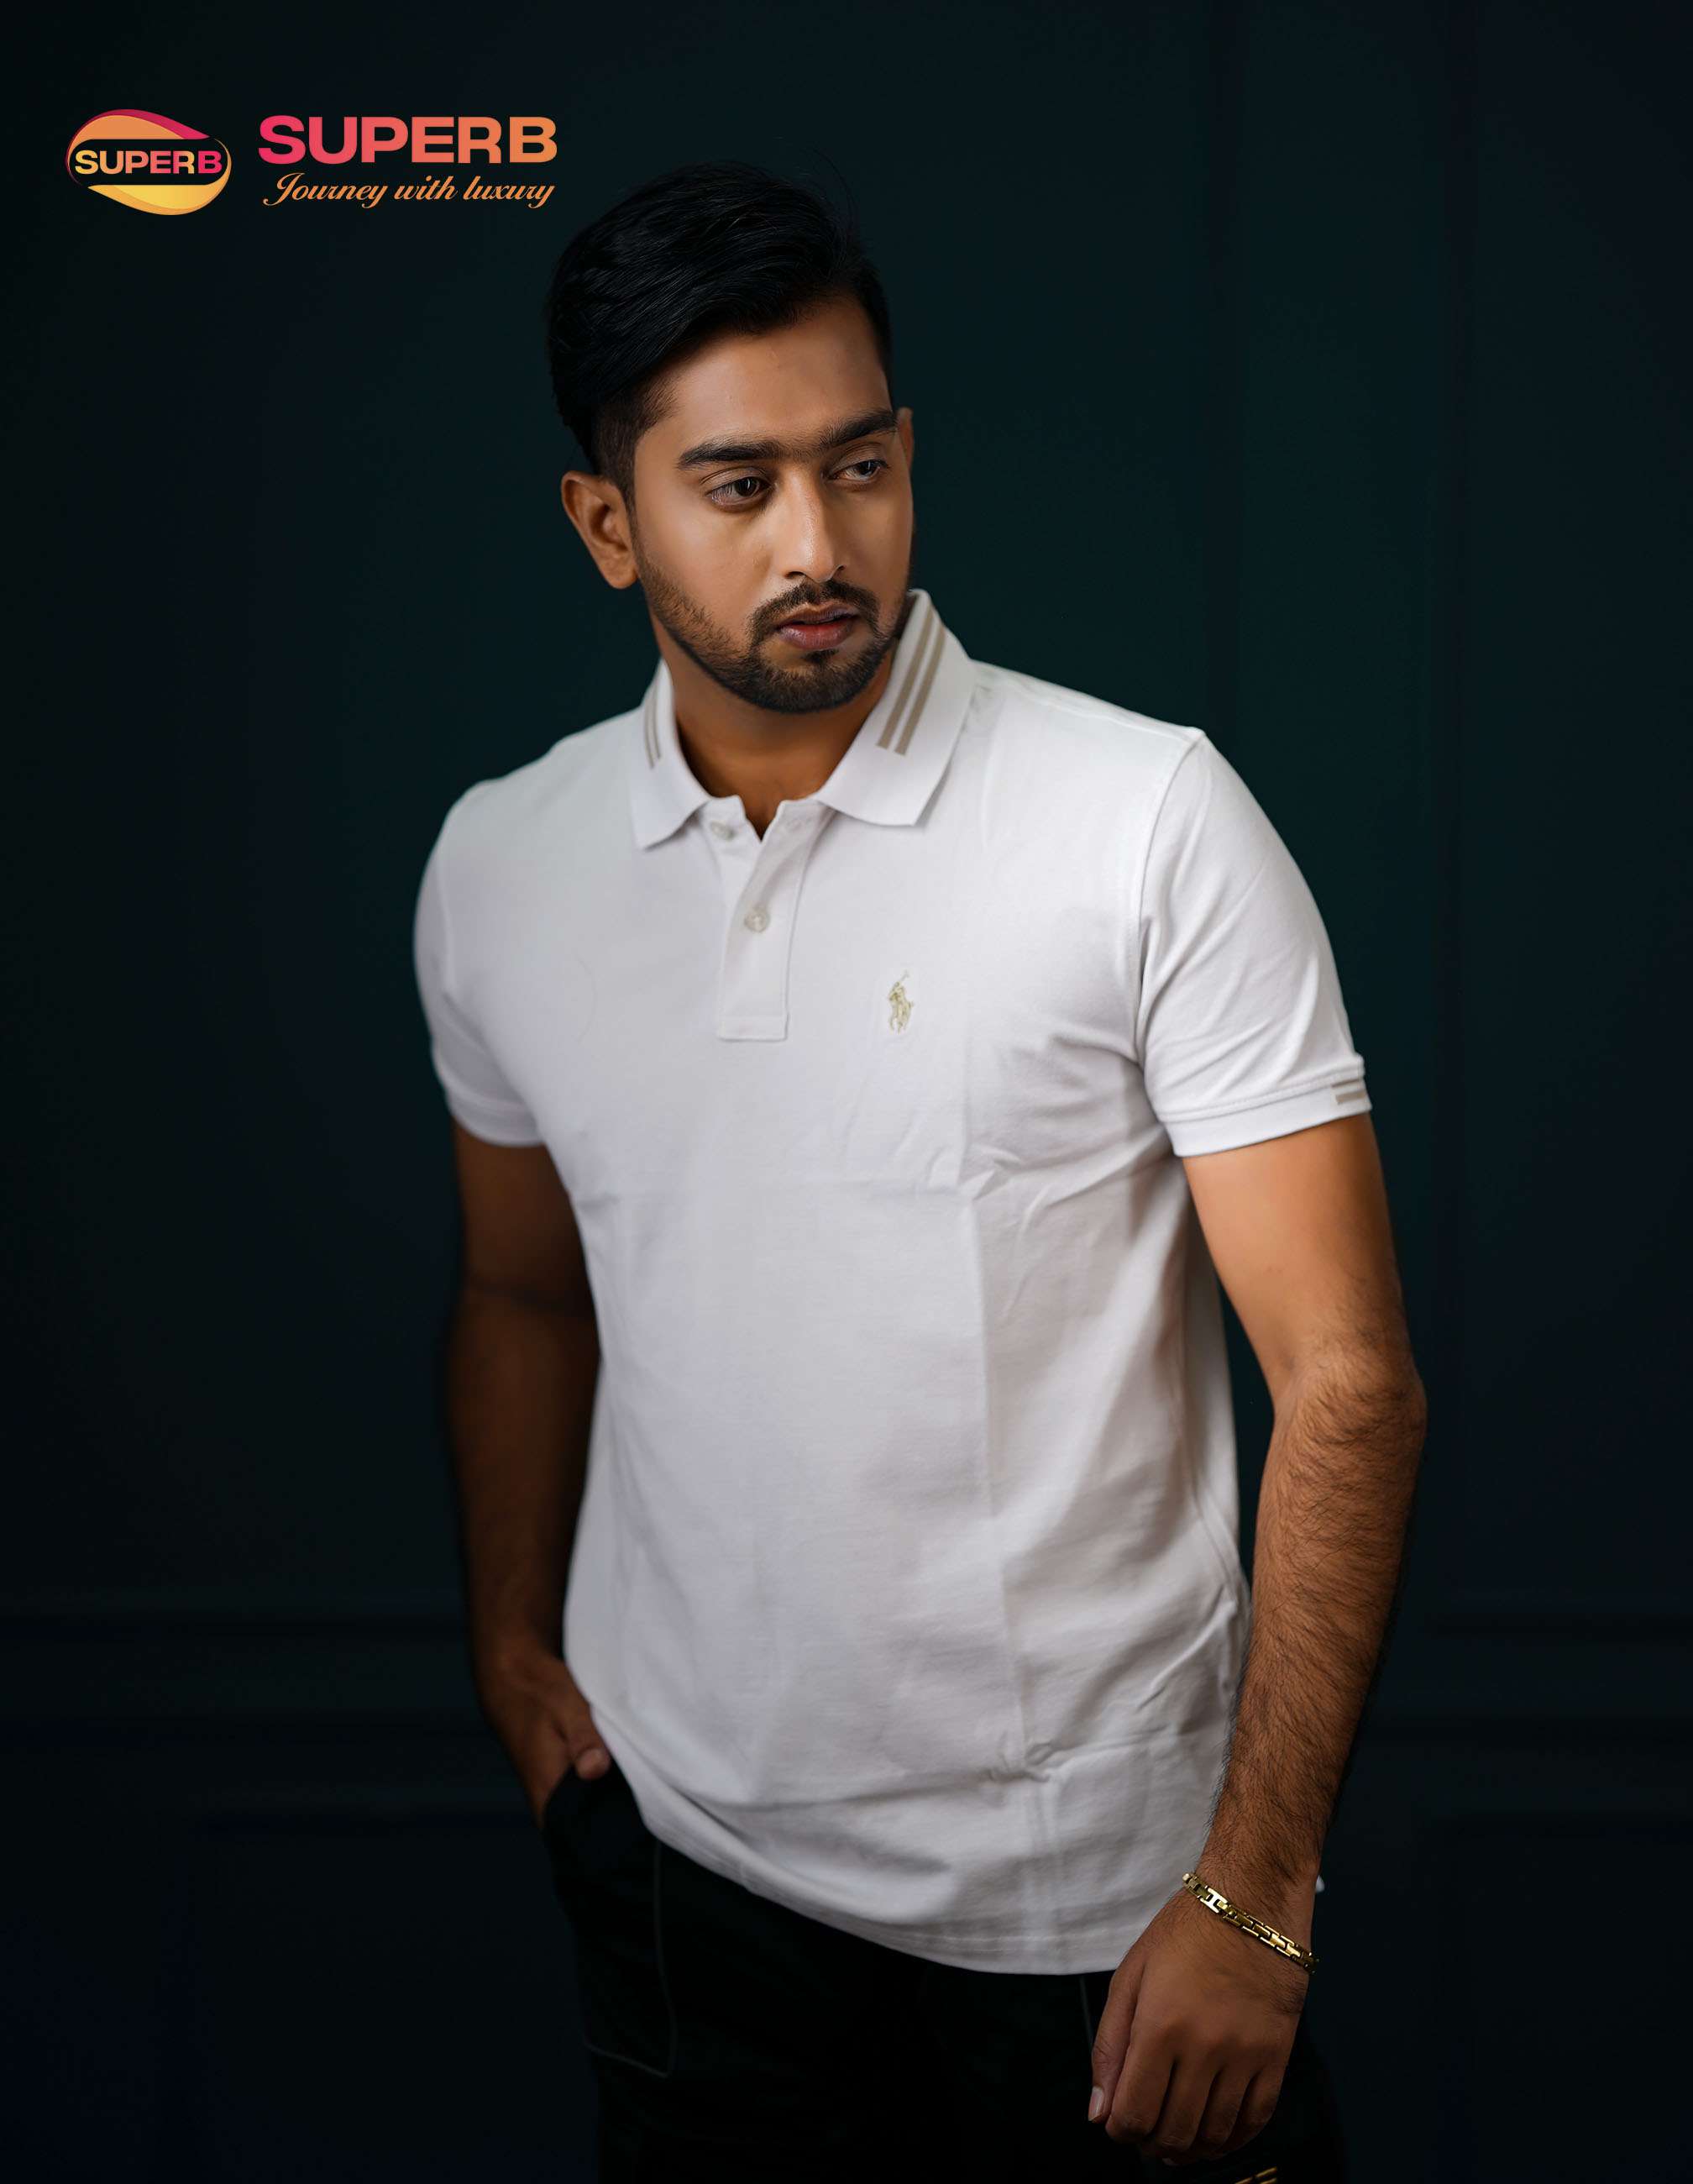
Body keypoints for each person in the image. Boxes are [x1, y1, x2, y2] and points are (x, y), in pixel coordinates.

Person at [411, 158, 1425, 2180]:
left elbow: (1348, 1384)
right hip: (682, 1877)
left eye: (858, 466)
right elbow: (523, 1290)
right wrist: (513, 1652)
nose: (819, 542)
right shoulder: (501, 868)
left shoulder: (1140, 820)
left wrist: (1251, 1892)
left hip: (1101, 1914)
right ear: (605, 524)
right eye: (736, 485)